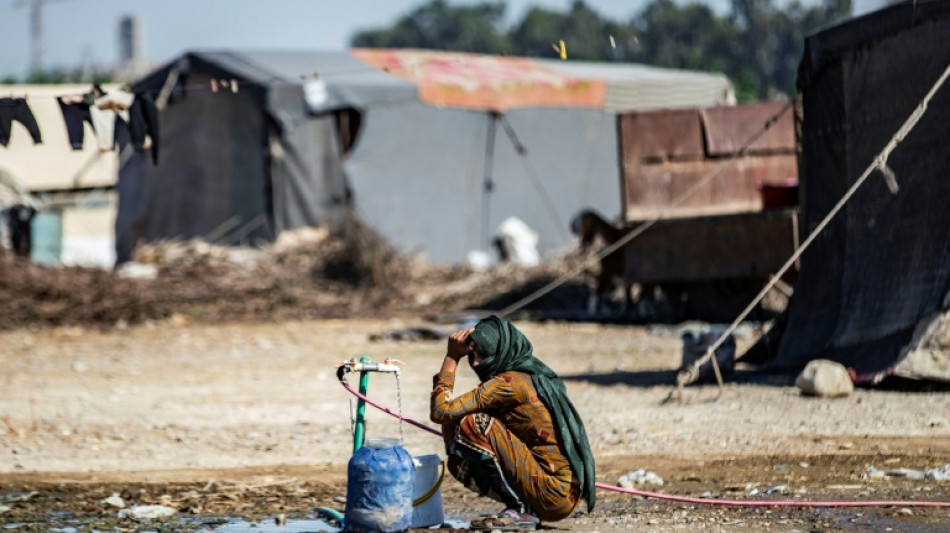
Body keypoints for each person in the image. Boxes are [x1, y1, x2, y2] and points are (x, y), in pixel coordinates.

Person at [430, 315, 596, 531]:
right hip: (558, 494)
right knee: (458, 436)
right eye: (473, 355)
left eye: (483, 355)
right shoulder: (526, 377)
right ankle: (524, 508)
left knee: (474, 423)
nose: (477, 363)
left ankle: (518, 509)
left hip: (554, 493)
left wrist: (452, 357)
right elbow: (447, 416)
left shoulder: (508, 383)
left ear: (501, 352)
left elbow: (441, 410)